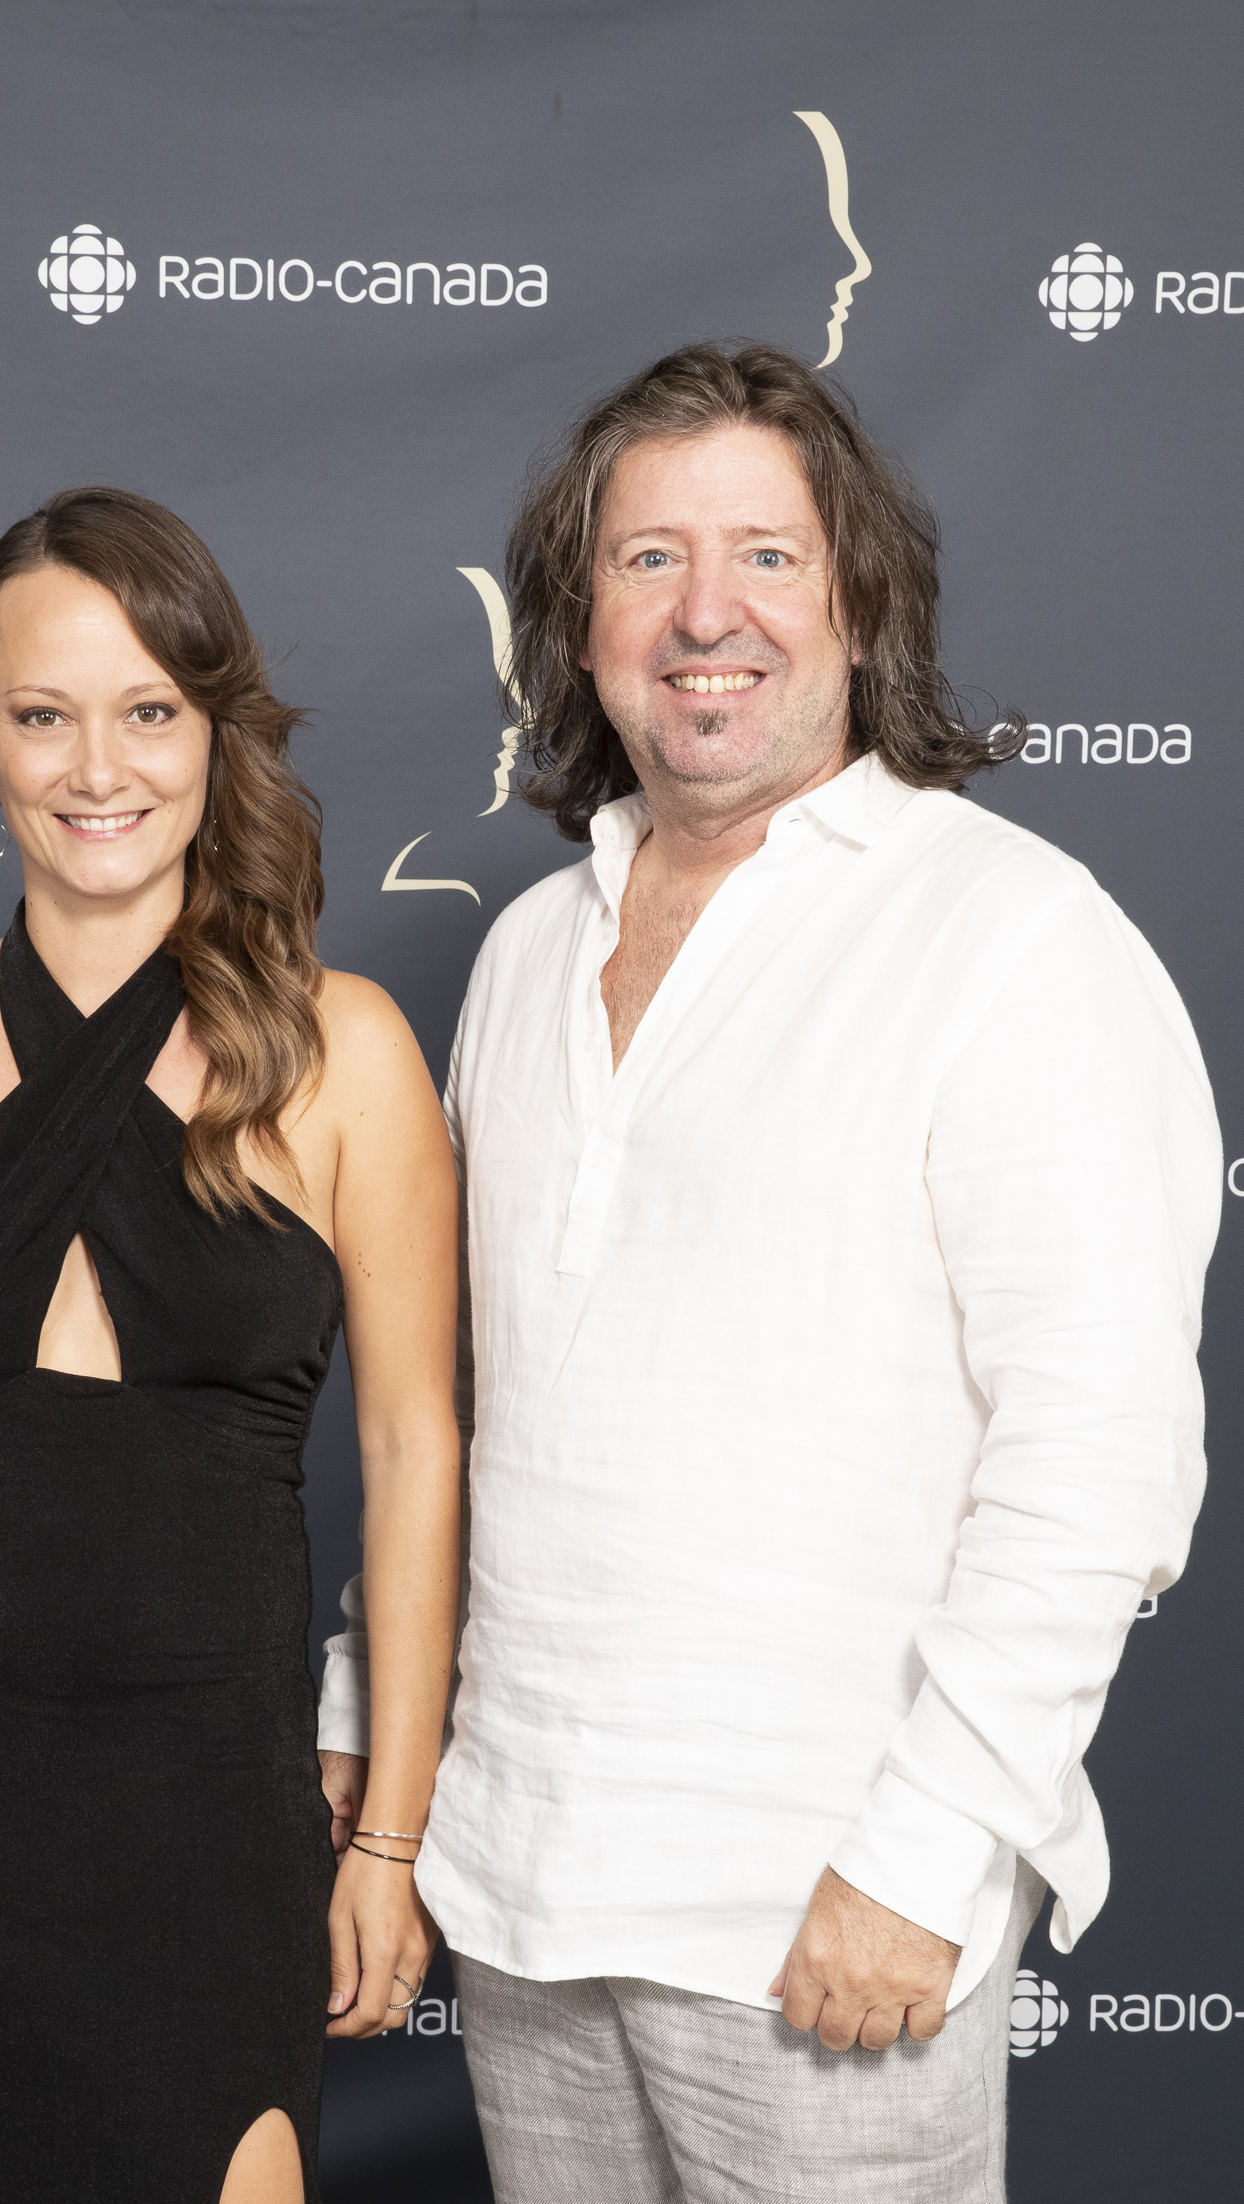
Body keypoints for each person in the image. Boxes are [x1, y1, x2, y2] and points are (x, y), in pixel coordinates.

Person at [318, 345, 1220, 2203]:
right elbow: (481, 1401)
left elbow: (1101, 1456)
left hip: (825, 1910)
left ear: (860, 608)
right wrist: (364, 1697)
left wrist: (929, 1850)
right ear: (579, 627)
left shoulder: (1012, 933)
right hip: (524, 1881)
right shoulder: (524, 953)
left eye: (768, 557)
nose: (705, 613)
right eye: (647, 560)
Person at [0, 489, 461, 2204]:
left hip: (209, 1828)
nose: (99, 769)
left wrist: (391, 1834)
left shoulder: (343, 1053)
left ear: (211, 728)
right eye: (44, 716)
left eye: (149, 712)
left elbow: (417, 1452)